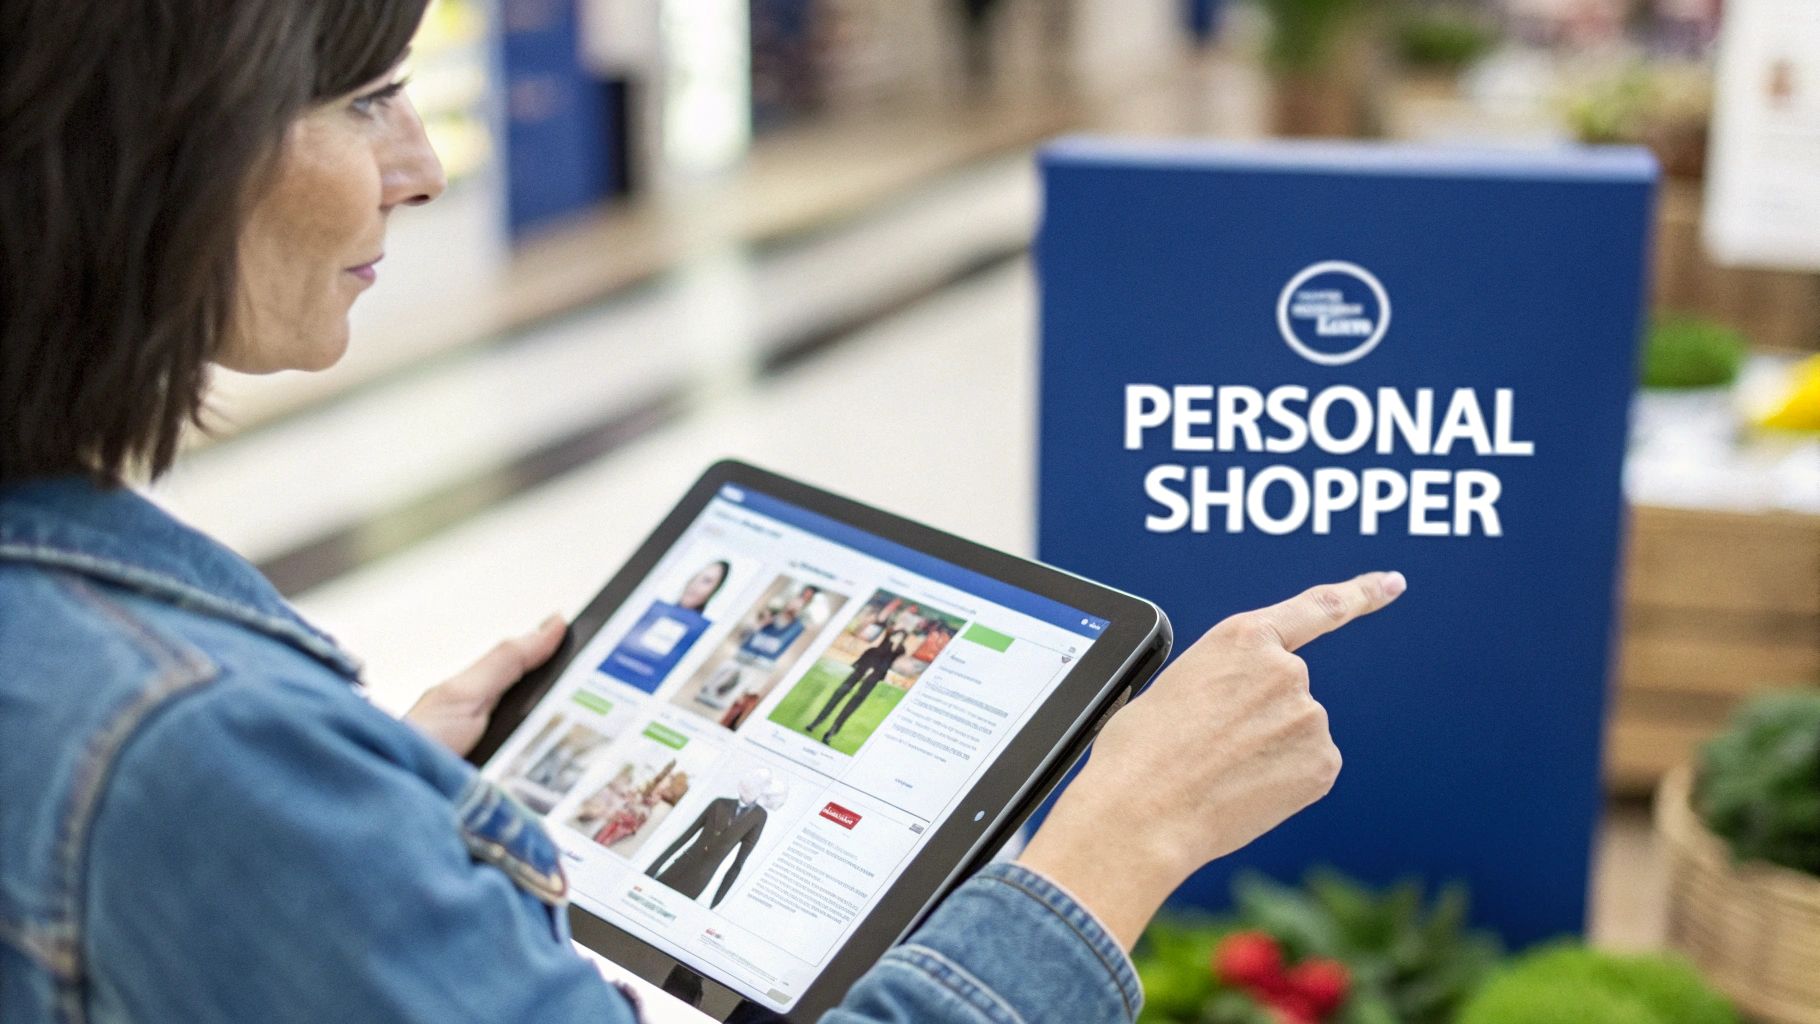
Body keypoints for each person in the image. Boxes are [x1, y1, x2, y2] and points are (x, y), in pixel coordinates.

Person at [0, 2, 1407, 1022]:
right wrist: (1123, 837)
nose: (421, 168)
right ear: (165, 145)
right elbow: (164, 784)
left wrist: (362, 807)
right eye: (368, 98)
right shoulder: (185, 739)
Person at [805, 629, 908, 744]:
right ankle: (816, 722)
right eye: (897, 635)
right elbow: (880, 638)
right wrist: (890, 636)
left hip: (872, 679)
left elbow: (899, 655)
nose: (898, 638)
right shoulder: (880, 643)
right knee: (838, 695)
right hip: (860, 670)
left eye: (901, 637)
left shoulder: (898, 651)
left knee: (851, 706)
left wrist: (896, 643)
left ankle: (831, 732)